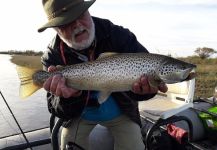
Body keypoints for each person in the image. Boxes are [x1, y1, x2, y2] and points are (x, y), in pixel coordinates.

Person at [38, 0, 168, 149]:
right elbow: (54, 108)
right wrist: (69, 97)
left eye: (81, 14)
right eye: (65, 22)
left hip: (122, 110)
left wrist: (145, 92)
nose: (77, 25)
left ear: (88, 11)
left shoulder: (119, 36)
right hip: (80, 114)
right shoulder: (52, 56)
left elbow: (145, 87)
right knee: (68, 145)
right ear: (55, 29)